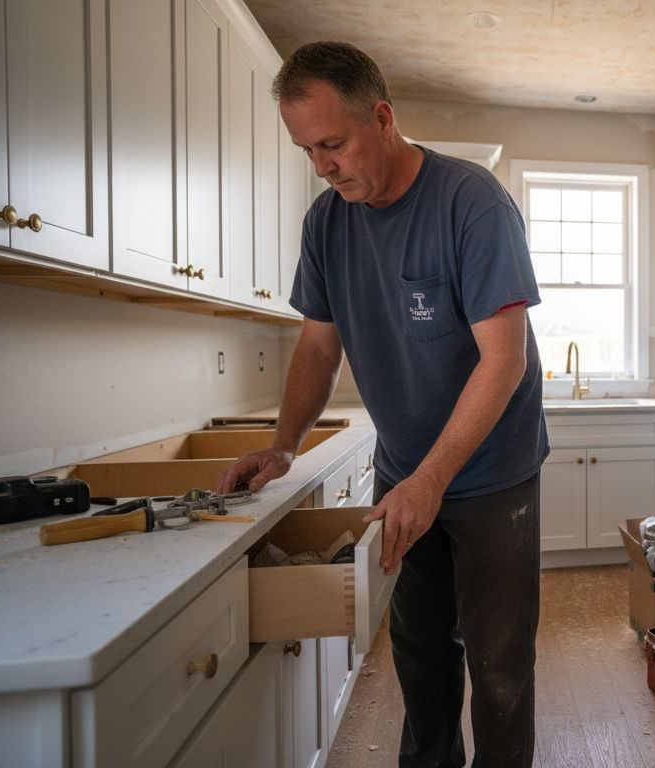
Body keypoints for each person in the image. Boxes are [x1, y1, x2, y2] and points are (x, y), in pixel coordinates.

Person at [217, 41, 548, 768]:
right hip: (403, 472)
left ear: (384, 117)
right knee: (421, 653)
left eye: (332, 143)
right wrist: (283, 443)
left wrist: (433, 481)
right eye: (307, 150)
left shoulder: (472, 202)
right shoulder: (326, 225)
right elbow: (315, 348)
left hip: (493, 475)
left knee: (499, 668)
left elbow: (506, 359)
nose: (323, 165)